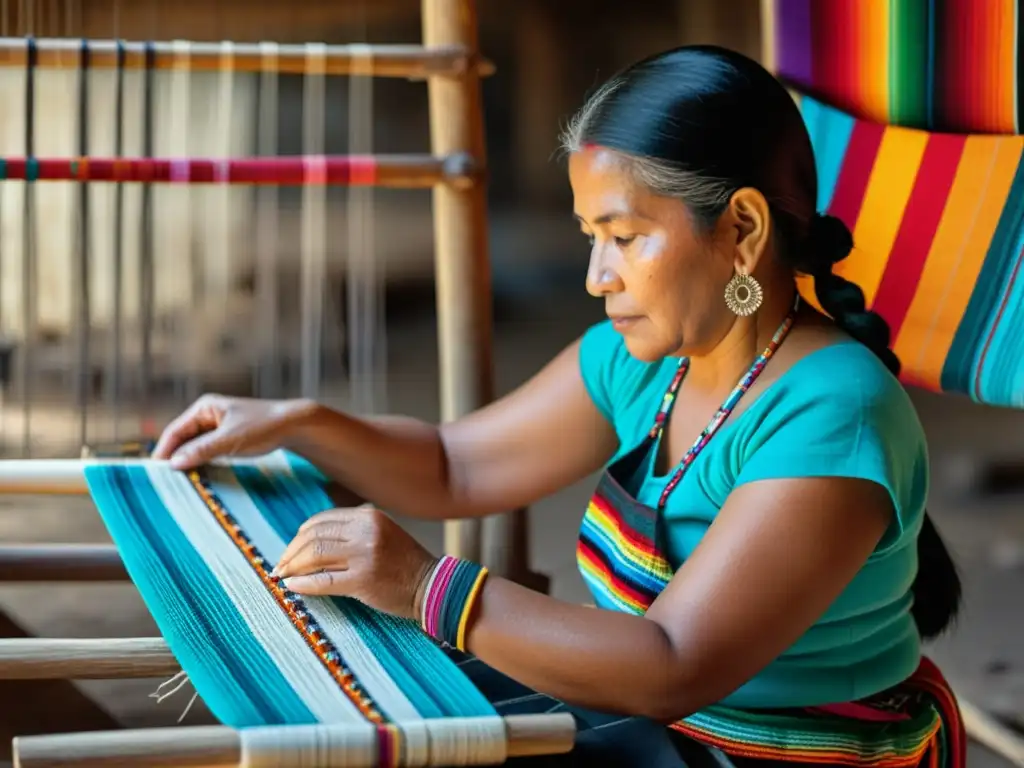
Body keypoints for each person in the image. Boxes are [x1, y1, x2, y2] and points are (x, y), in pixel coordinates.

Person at [152, 45, 965, 767]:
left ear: (742, 229)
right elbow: (454, 464)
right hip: (654, 715)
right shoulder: (649, 360)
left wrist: (425, 584)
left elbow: (675, 662)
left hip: (783, 749)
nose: (596, 276)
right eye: (589, 235)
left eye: (623, 235)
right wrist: (301, 423)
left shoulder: (833, 412)